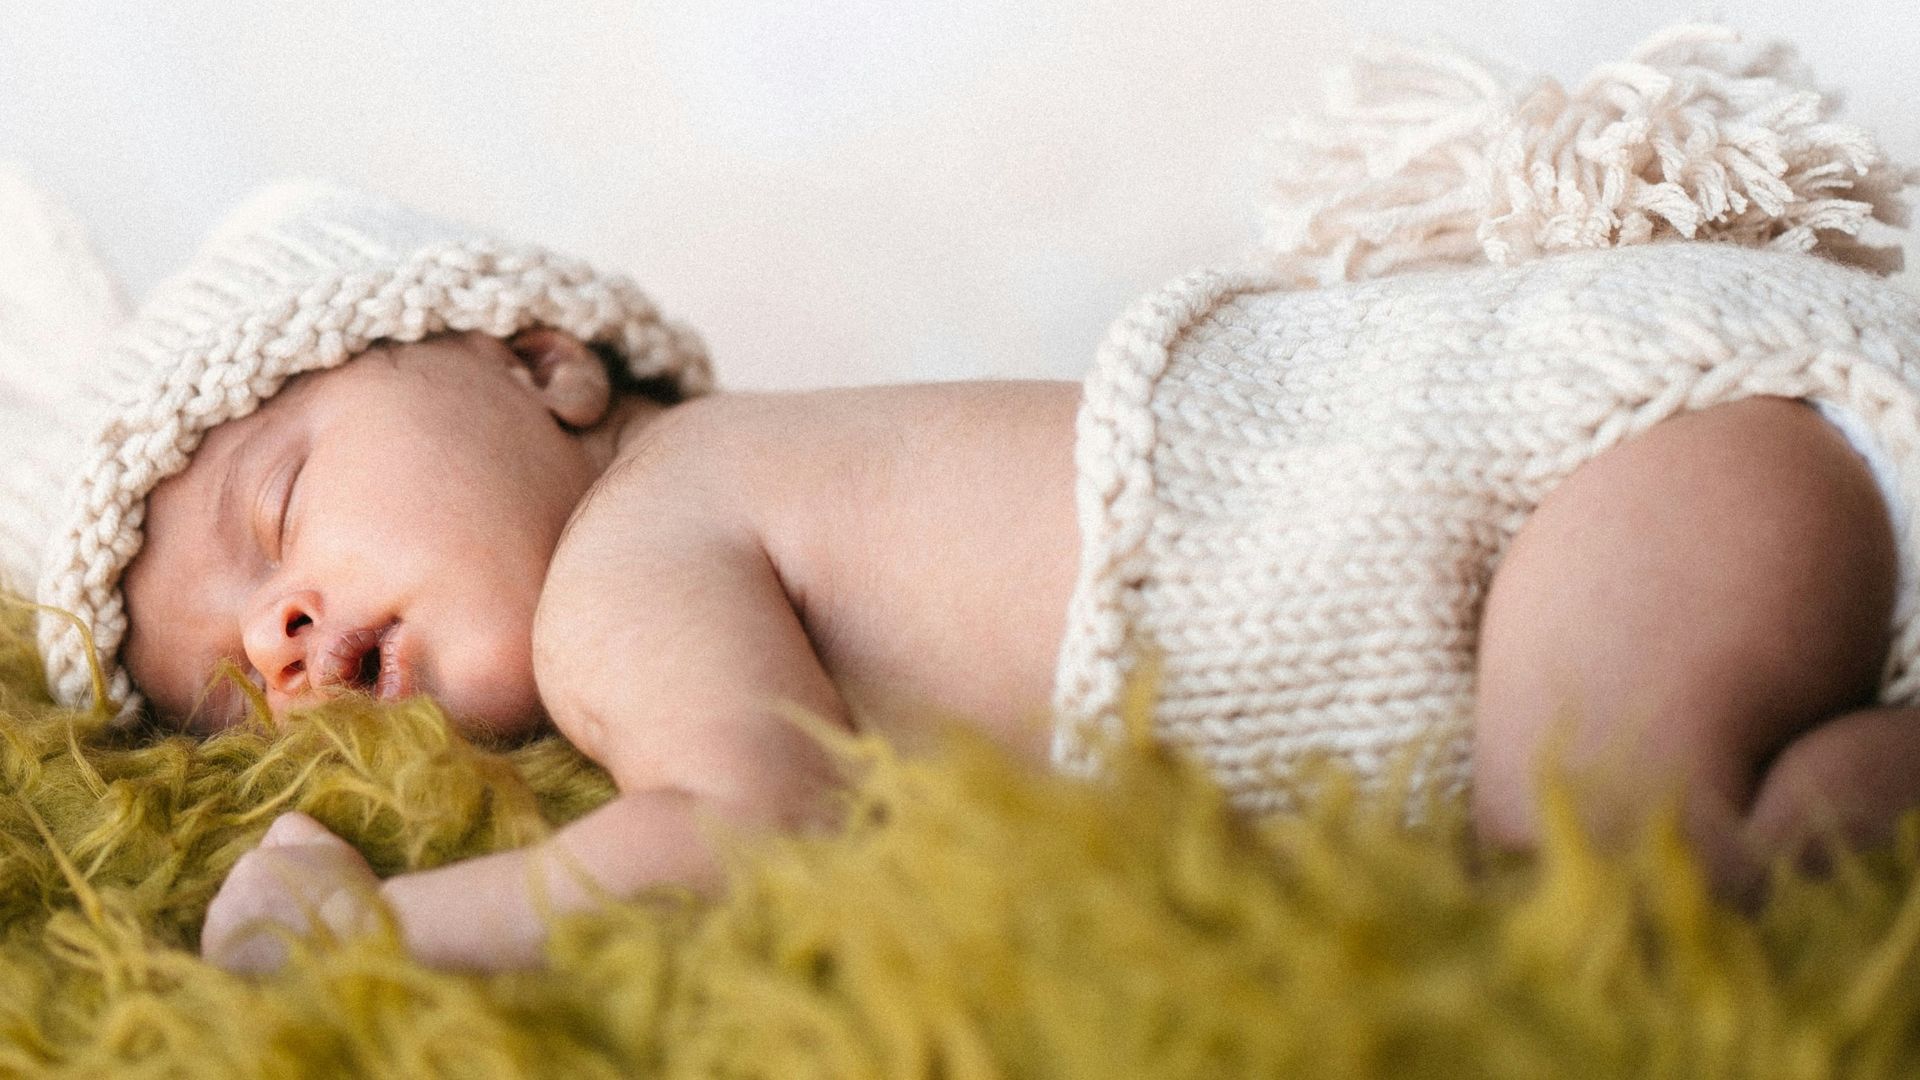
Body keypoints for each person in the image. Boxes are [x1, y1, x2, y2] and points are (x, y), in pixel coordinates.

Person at [7, 25, 1919, 975]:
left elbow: (755, 831)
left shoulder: (644, 545)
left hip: (1598, 467)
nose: (275, 638)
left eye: (278, 509)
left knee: (1632, 869)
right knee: (1592, 872)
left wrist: (377, 925)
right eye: (223, 682)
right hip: (1602, 510)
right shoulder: (714, 532)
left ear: (538, 363)